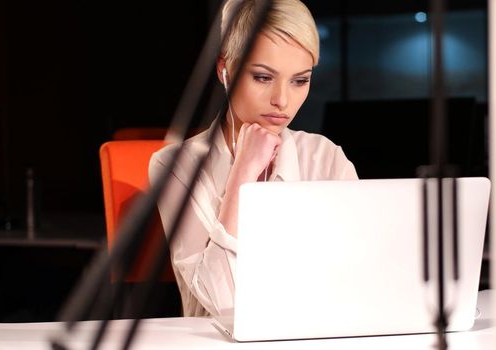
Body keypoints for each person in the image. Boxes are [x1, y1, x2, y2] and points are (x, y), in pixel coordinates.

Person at [149, 0, 358, 317]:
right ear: (225, 71)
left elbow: (358, 283)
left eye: (299, 80)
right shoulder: (176, 166)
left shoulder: (326, 158)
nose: (282, 100)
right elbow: (223, 303)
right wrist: (242, 175)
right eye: (262, 77)